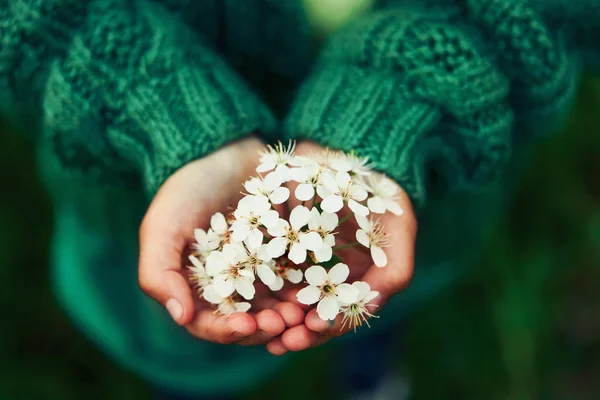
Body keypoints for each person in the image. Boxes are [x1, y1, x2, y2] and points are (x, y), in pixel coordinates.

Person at [1, 0, 598, 398]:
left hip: (417, 182)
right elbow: (30, 21)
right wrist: (158, 106)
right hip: (134, 182)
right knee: (188, 338)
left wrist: (405, 97)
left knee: (374, 296)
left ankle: (369, 373)